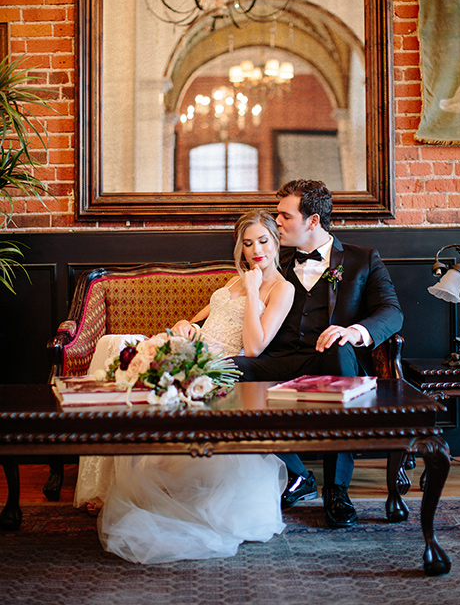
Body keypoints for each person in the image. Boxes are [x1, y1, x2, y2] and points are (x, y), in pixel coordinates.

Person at [74, 209, 295, 564]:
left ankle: (109, 485)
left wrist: (255, 292)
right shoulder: (233, 282)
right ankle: (102, 484)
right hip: (194, 348)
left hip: (216, 366)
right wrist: (183, 325)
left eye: (263, 241)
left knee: (118, 348)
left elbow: (255, 347)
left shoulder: (281, 288)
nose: (256, 250)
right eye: (248, 243)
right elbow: (201, 321)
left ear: (276, 241)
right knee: (112, 346)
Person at [235, 180, 404, 528]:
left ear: (312, 221)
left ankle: (337, 489)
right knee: (232, 370)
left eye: (284, 216)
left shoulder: (362, 259)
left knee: (340, 351)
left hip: (330, 358)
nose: (276, 223)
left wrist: (353, 332)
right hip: (279, 357)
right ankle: (299, 474)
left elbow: (393, 312)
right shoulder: (272, 258)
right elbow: (234, 300)